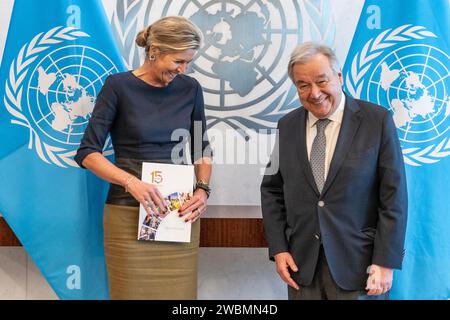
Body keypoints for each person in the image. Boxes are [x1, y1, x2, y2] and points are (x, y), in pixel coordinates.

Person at [75, 16, 212, 300]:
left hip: (178, 214)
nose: (183, 69)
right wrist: (130, 183)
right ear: (154, 51)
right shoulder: (117, 86)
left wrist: (203, 189)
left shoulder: (191, 89)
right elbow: (87, 153)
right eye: (178, 61)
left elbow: (202, 149)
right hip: (127, 213)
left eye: (188, 62)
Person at [260, 42, 408, 300]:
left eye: (322, 81)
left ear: (339, 77)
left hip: (360, 268)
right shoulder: (288, 126)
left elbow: (393, 196)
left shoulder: (377, 121)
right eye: (303, 85)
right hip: (302, 267)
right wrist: (279, 248)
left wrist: (385, 262)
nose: (314, 93)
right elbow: (272, 190)